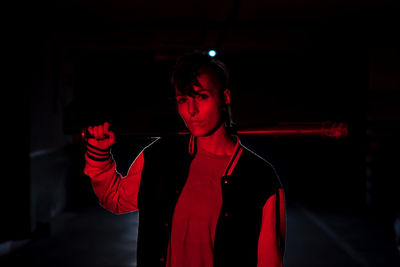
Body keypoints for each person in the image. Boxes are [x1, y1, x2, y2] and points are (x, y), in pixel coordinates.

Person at [83, 52, 286, 267]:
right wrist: (99, 155)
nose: (191, 111)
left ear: (225, 97)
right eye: (183, 100)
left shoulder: (260, 179)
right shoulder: (159, 157)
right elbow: (114, 198)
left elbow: (269, 261)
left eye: (201, 96)